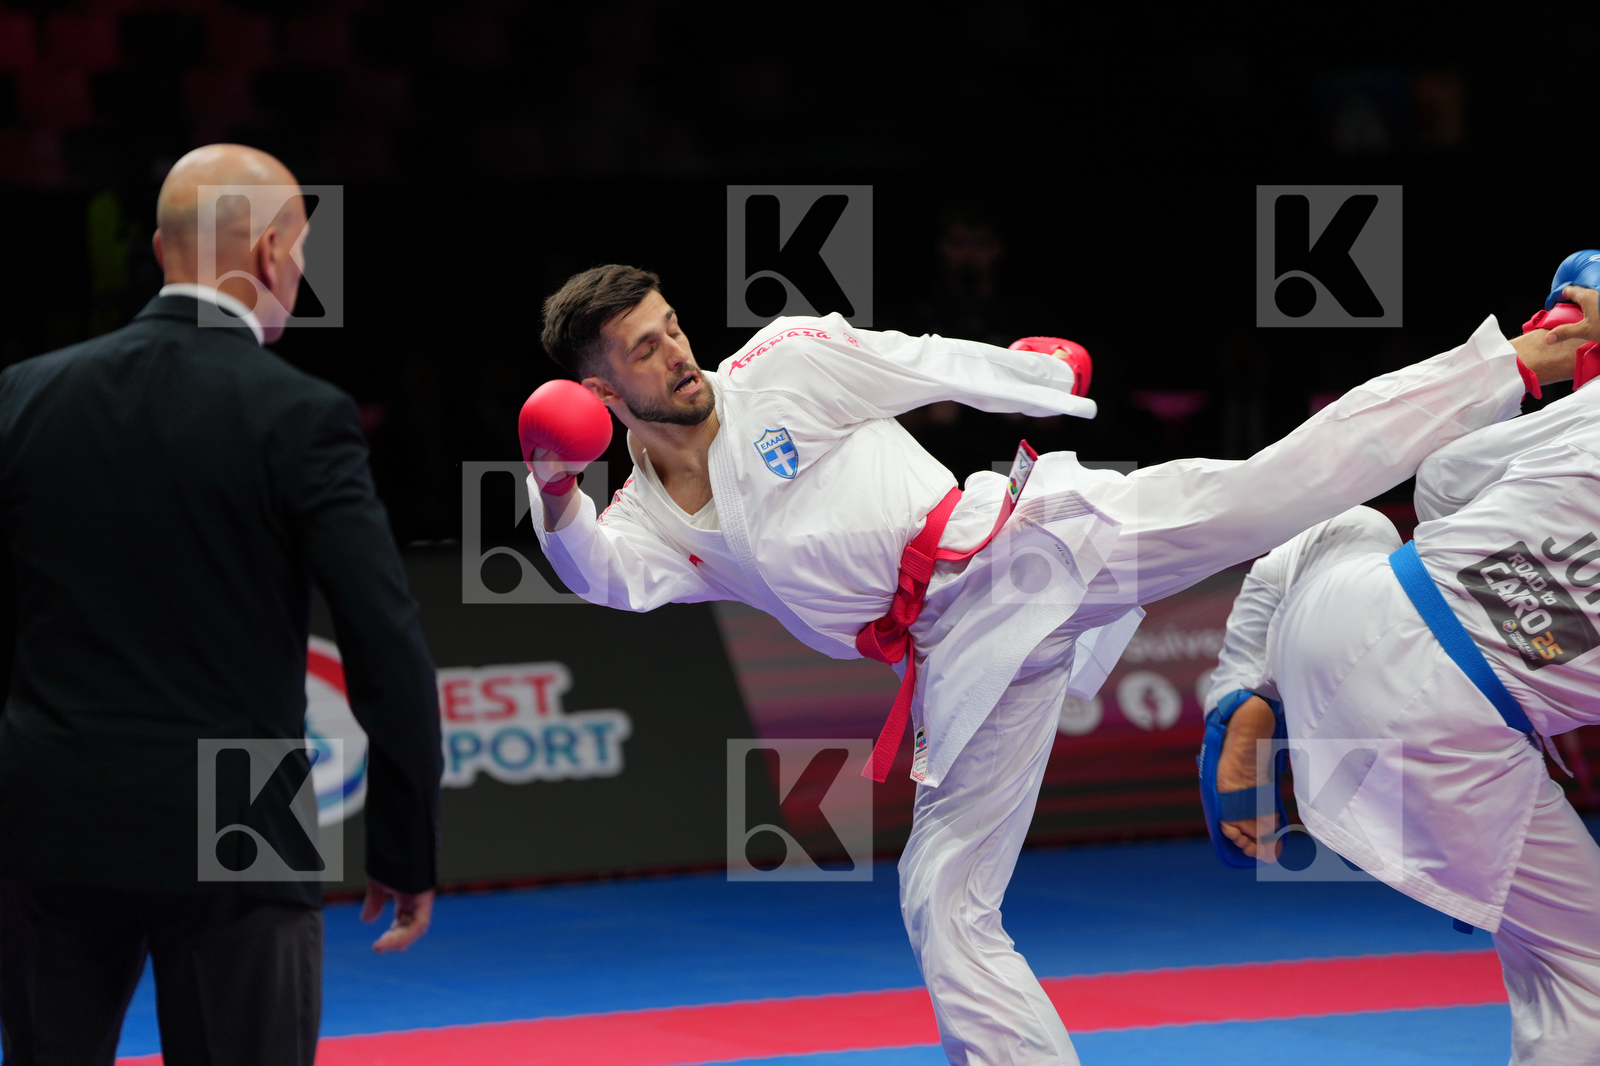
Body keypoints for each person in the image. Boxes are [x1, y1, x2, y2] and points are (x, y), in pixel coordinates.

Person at [528, 263, 1580, 1066]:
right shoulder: (648, 519)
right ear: (595, 387)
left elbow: (916, 356)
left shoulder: (778, 366)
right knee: (942, 900)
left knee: (1282, 484)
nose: (677, 355)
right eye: (643, 349)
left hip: (1030, 548)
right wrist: (552, 486)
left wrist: (1038, 378)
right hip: (958, 659)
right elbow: (606, 578)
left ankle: (1513, 366)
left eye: (671, 329)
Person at [0, 144, 442, 1066]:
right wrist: (405, 843)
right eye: (306, 252)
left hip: (51, 807)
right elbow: (381, 635)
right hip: (241, 804)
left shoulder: (25, 396)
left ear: (163, 250)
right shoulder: (301, 414)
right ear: (274, 252)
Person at [1203, 284, 1600, 1065]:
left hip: (1350, 612)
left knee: (1349, 524)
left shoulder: (1583, 421)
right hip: (1453, 731)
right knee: (1586, 970)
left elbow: (1443, 481)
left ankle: (1245, 689)